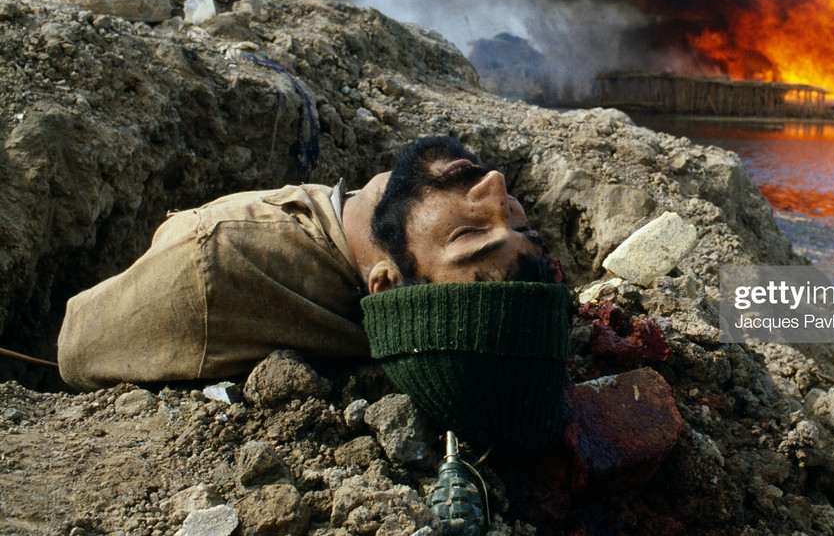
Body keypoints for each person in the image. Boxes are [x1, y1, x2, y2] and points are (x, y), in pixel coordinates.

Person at [57, 135, 559, 390]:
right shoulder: (378, 240)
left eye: (469, 233)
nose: (498, 189)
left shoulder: (212, 261)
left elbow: (76, 350)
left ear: (384, 284)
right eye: (521, 227)